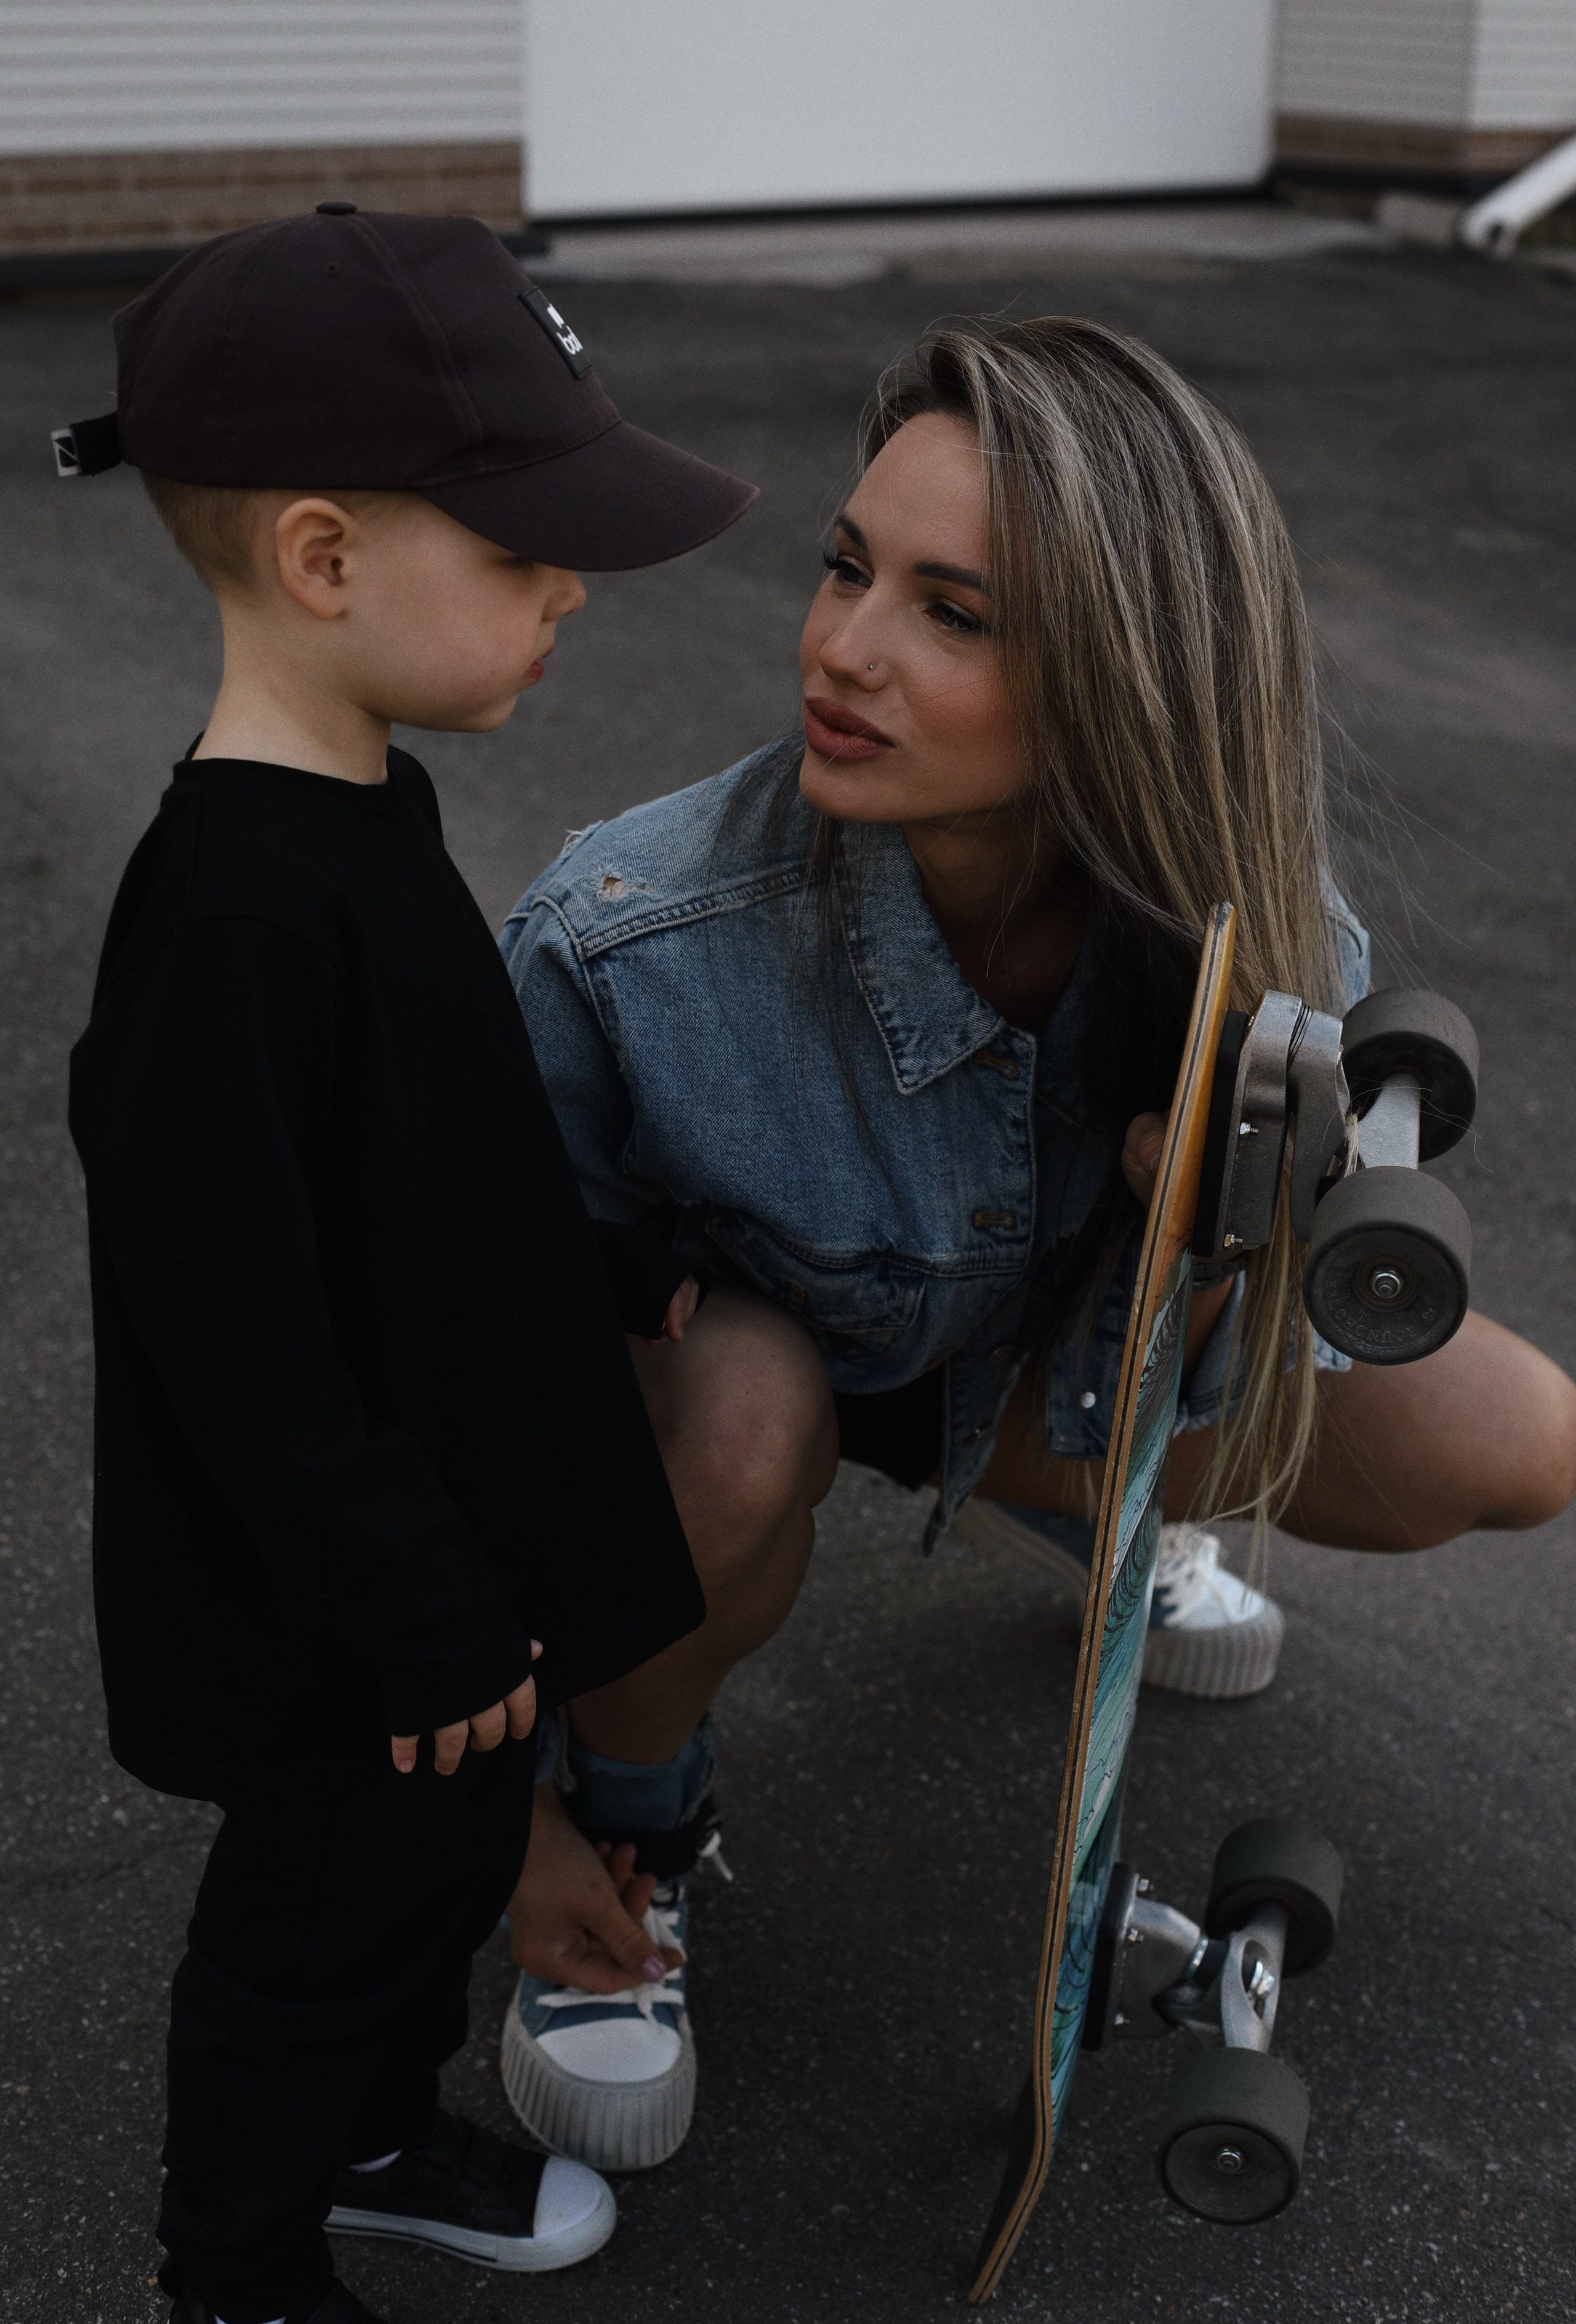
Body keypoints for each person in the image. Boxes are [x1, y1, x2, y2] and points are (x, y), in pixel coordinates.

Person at [497, 316, 1576, 2178]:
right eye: (848, 566)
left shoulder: (1254, 922)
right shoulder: (626, 946)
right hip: (756, 1376)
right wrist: (487, 1803)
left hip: (1042, 1355)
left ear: (1130, 675)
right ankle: (635, 1822)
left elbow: (1307, 1318)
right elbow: (471, 1385)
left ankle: (1096, 1505)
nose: (844, 648)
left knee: (1518, 1438)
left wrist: (1213, 1232)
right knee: (744, 1424)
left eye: (955, 614)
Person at [63, 207, 754, 2324]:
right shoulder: (230, 920)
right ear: (323, 558)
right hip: (341, 1608)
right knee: (314, 1931)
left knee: (434, 1875)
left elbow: (415, 1163)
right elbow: (237, 1328)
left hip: (435, 1582)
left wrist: (594, 1259)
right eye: (525, 546)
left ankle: (371, 2139)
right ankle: (240, 2270)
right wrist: (421, 1604)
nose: (571, 590)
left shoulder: (366, 811)